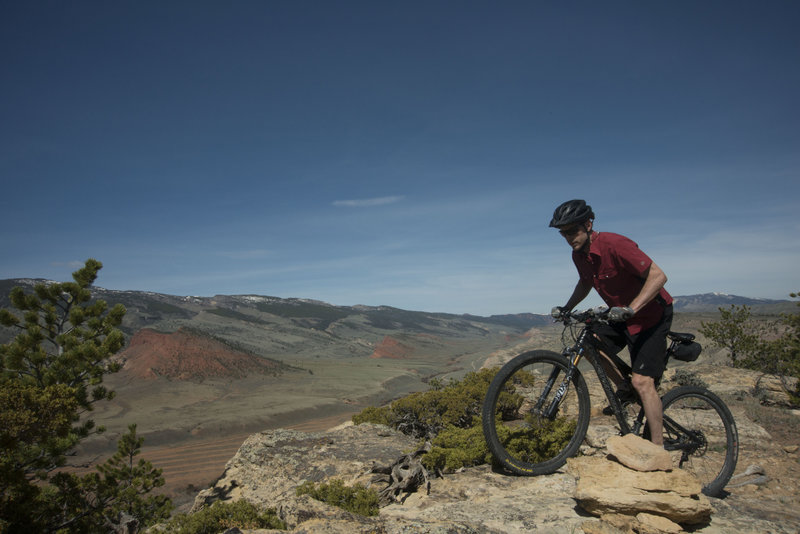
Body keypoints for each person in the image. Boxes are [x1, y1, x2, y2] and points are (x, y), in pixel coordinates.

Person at [549, 199, 673, 446]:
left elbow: (659, 276)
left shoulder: (615, 244)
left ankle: (658, 449)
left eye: (573, 230)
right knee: (589, 343)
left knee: (643, 381)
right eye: (564, 233)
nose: (569, 237)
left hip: (650, 316)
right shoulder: (579, 255)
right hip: (621, 315)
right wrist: (567, 308)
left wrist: (632, 308)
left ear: (588, 224)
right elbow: (585, 283)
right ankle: (624, 388)